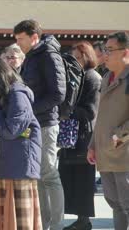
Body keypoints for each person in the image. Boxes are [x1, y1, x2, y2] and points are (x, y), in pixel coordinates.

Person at [14, 19, 66, 230]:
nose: (18, 43)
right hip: (35, 123)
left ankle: (56, 224)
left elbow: (58, 94)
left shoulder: (48, 55)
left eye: (21, 39)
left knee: (49, 175)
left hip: (45, 122)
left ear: (34, 37)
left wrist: (30, 111)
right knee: (38, 176)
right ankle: (44, 224)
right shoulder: (32, 57)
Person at [0, 57, 42, 230]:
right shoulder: (5, 95)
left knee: (20, 218)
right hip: (8, 161)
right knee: (5, 214)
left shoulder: (18, 95)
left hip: (20, 163)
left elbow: (10, 131)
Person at [87, 31, 129, 230]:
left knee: (127, 202)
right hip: (105, 150)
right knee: (115, 202)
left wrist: (118, 136)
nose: (105, 54)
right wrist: (92, 144)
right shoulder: (106, 78)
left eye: (110, 50)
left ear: (125, 52)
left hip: (124, 151)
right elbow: (101, 115)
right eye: (105, 50)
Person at [58, 41, 101, 230]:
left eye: (78, 57)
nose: (74, 61)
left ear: (87, 57)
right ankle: (80, 219)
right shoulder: (76, 76)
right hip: (71, 133)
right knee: (69, 178)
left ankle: (84, 220)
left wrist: (67, 110)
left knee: (83, 179)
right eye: (73, 57)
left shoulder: (93, 77)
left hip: (84, 135)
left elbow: (91, 111)